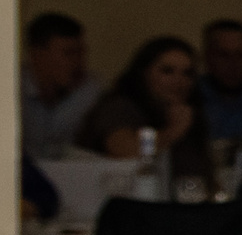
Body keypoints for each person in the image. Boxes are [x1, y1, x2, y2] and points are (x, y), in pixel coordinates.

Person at [78, 35, 215, 195]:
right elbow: (125, 151)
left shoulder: (189, 113)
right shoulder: (120, 107)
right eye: (167, 71)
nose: (178, 81)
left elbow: (202, 176)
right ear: (144, 72)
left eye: (187, 73)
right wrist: (172, 132)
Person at [21, 13, 100, 159]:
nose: (78, 61)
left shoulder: (92, 92)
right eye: (69, 53)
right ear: (37, 54)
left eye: (81, 52)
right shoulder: (12, 91)